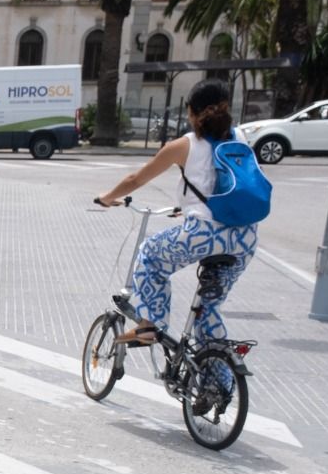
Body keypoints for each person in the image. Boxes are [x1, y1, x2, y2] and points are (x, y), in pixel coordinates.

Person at [93, 79, 258, 352]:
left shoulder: (184, 145)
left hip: (205, 232)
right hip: (245, 237)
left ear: (192, 112)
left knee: (150, 256)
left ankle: (149, 326)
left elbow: (135, 180)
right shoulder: (240, 138)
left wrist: (108, 197)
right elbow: (229, 183)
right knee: (208, 307)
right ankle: (219, 380)